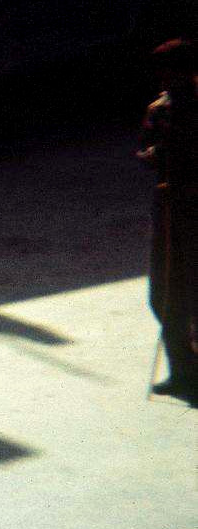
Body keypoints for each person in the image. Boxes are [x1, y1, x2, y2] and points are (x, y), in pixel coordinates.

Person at [136, 38, 197, 406]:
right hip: (169, 209)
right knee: (164, 292)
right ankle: (183, 370)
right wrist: (156, 153)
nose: (164, 78)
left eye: (170, 70)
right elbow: (143, 149)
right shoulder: (159, 109)